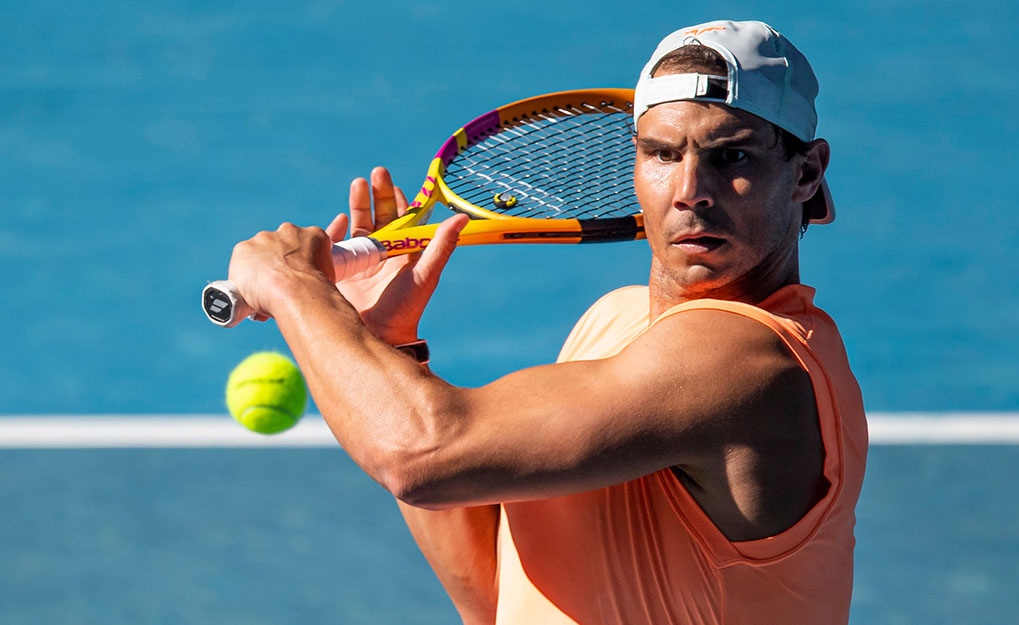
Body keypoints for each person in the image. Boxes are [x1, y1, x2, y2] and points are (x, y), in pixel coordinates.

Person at [226, 19, 867, 625]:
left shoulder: (747, 362)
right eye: (663, 154)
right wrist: (387, 343)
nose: (689, 189)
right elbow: (497, 597)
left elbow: (423, 454)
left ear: (806, 172)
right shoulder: (613, 322)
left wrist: (292, 285)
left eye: (732, 158)